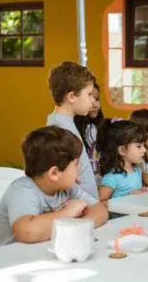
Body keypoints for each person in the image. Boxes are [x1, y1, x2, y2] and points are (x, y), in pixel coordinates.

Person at [0, 126, 108, 247]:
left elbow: (100, 210)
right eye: (75, 165)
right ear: (54, 173)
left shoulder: (68, 188)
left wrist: (77, 225)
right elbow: (27, 232)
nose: (79, 169)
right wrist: (68, 213)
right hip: (10, 258)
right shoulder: (22, 190)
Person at [46, 61, 98, 199]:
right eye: (89, 94)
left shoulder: (64, 123)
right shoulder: (60, 129)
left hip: (87, 203)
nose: (93, 100)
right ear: (71, 97)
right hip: (79, 206)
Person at [97, 119, 148, 202]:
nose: (144, 150)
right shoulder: (112, 178)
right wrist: (129, 196)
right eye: (139, 146)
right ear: (122, 150)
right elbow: (100, 202)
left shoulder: (136, 170)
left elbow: (144, 176)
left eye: (144, 145)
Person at [75, 83, 104, 184]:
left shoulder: (97, 126)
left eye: (97, 99)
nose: (95, 104)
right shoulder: (77, 129)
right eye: (91, 98)